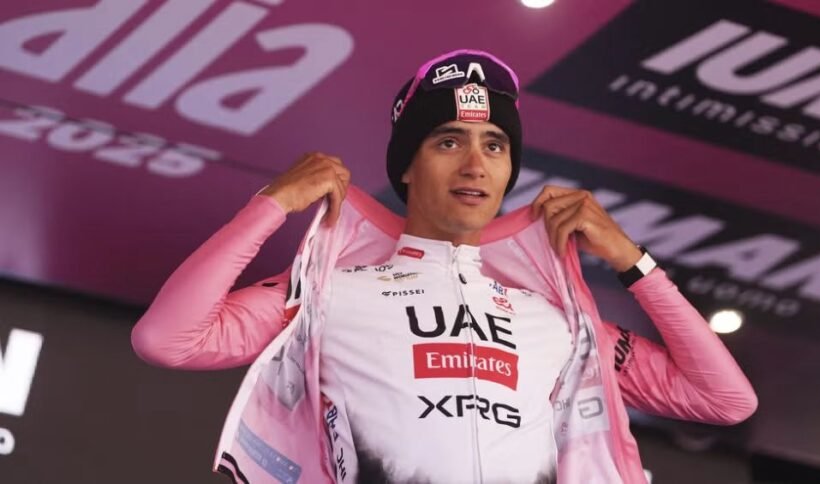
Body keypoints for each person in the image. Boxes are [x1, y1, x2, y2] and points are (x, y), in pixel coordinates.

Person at [131, 50, 757, 484]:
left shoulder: (558, 319)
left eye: (494, 145)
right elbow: (168, 339)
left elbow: (724, 400)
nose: (475, 165)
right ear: (407, 165)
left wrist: (633, 262)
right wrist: (270, 206)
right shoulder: (326, 292)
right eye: (449, 141)